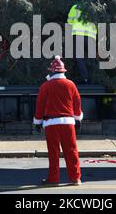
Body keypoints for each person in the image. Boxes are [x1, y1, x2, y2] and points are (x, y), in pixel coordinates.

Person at [33, 56, 83, 186]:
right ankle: (75, 178)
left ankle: (53, 179)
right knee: (71, 151)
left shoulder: (45, 86)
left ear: (52, 71)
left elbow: (40, 105)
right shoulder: (71, 84)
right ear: (63, 71)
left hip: (51, 124)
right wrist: (78, 119)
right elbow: (77, 103)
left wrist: (37, 122)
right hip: (68, 123)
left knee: (53, 152)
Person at [67, 0, 98, 84]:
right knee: (92, 58)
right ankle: (94, 78)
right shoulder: (96, 9)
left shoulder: (75, 7)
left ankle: (84, 78)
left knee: (79, 57)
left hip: (78, 34)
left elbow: (69, 21)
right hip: (91, 36)